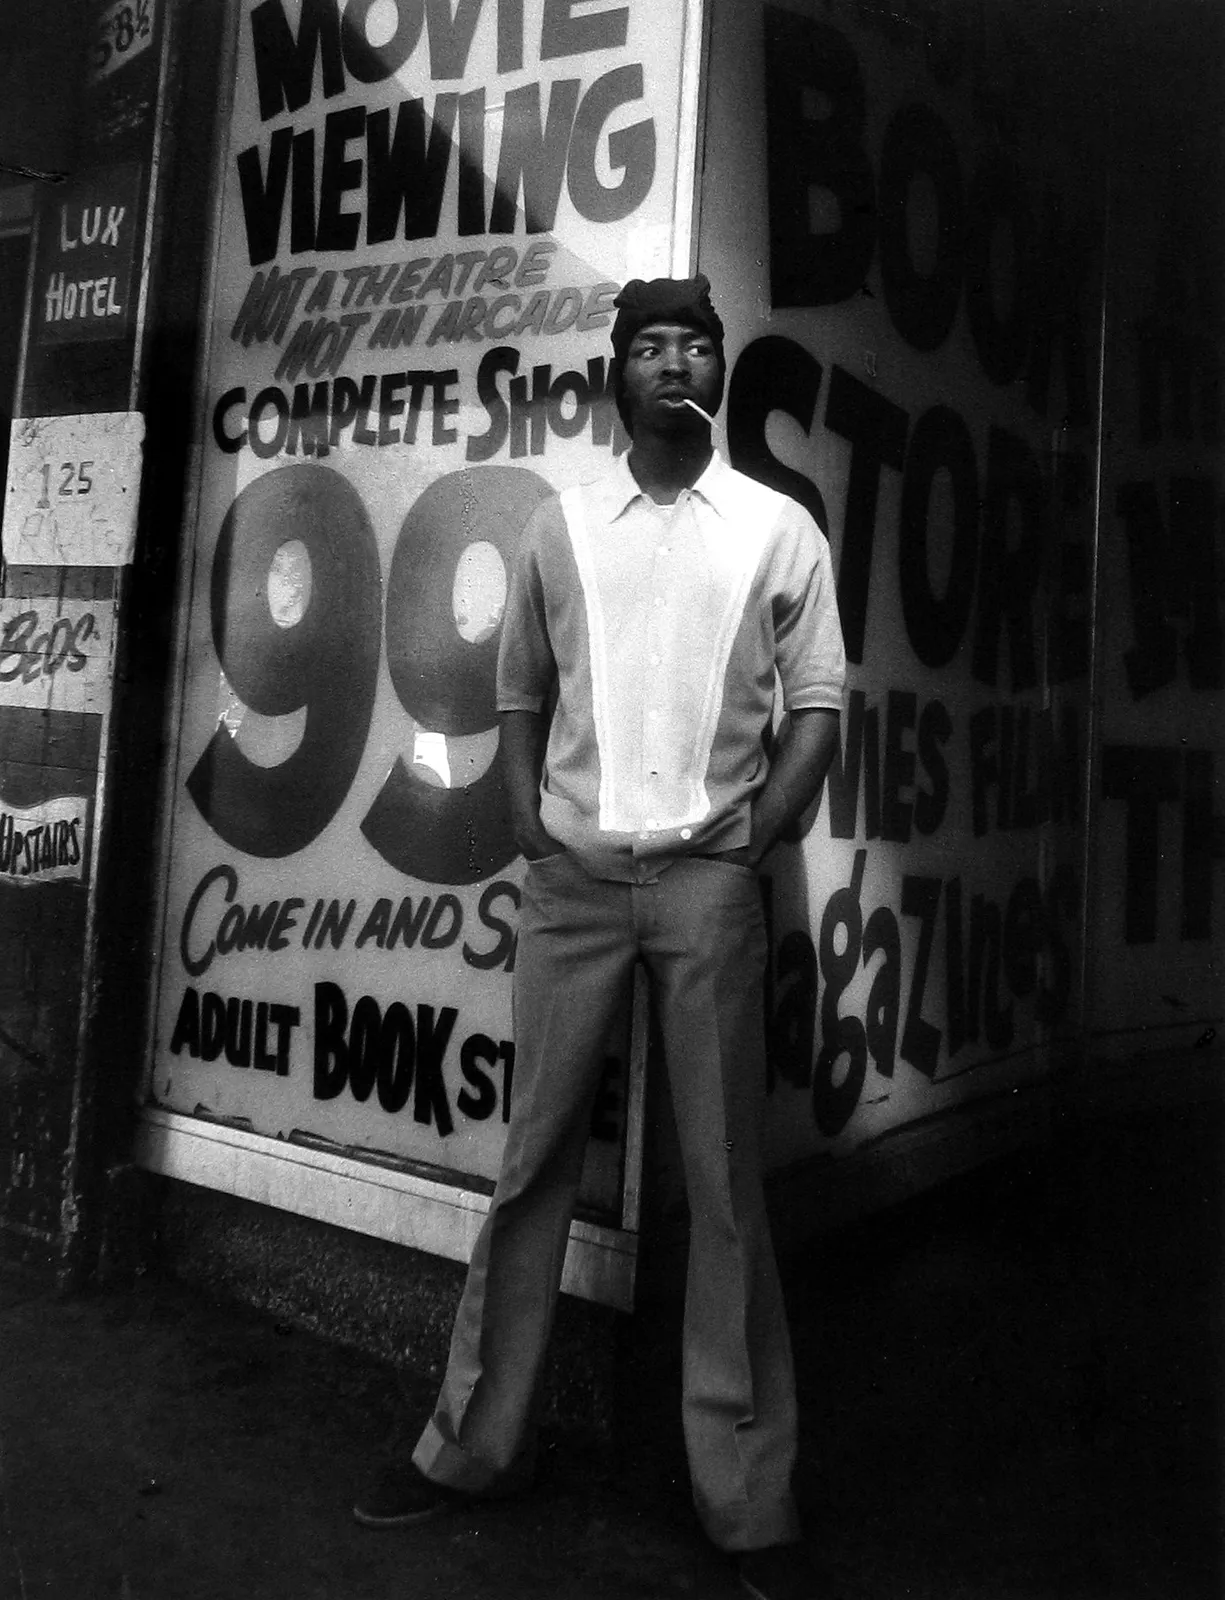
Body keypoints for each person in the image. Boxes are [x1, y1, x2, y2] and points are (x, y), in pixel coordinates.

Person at [354, 275, 848, 1600]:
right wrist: (529, 820)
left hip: (707, 887)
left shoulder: (779, 530)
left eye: (695, 344)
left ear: (719, 372)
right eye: (650, 346)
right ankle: (475, 1447)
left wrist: (752, 842)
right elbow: (519, 689)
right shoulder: (561, 525)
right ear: (616, 374)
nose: (673, 362)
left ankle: (749, 1500)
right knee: (534, 1167)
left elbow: (816, 706)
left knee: (726, 1184)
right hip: (573, 884)